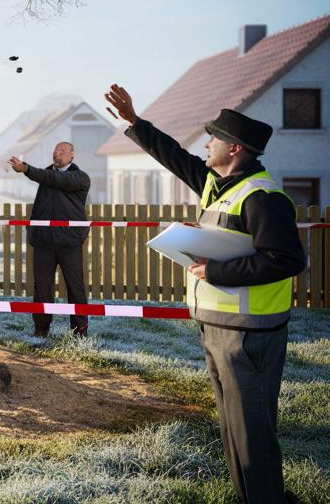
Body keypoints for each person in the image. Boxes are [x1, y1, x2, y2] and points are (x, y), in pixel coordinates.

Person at [105, 84, 307, 504]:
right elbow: (176, 158)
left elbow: (287, 260)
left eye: (213, 138)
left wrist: (216, 269)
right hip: (220, 327)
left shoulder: (263, 198)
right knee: (235, 429)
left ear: (234, 149)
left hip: (249, 334)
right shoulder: (220, 185)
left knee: (251, 431)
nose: (207, 143)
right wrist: (135, 123)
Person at [8, 142, 92, 338]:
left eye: (62, 151)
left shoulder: (80, 178)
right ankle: (41, 330)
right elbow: (48, 180)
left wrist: (27, 169)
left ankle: (80, 332)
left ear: (72, 155)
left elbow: (56, 179)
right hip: (44, 242)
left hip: (69, 242)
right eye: (55, 150)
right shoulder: (46, 175)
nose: (57, 153)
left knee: (75, 288)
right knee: (42, 288)